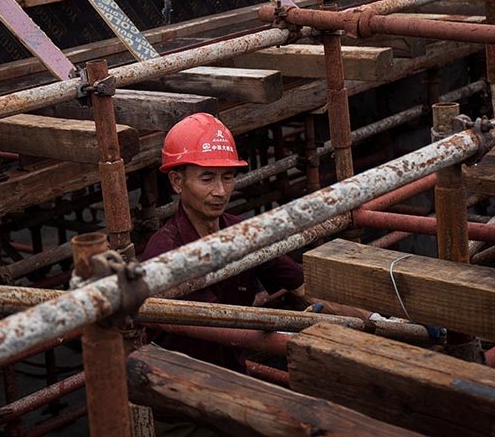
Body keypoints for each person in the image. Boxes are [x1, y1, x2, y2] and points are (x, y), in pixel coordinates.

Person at [142, 113, 368, 373]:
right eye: (207, 179)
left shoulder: (242, 232)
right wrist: (294, 326)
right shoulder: (165, 254)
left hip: (231, 373)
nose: (220, 191)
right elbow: (220, 326)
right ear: (177, 182)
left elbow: (303, 285)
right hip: (180, 386)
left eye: (227, 177)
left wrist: (376, 320)